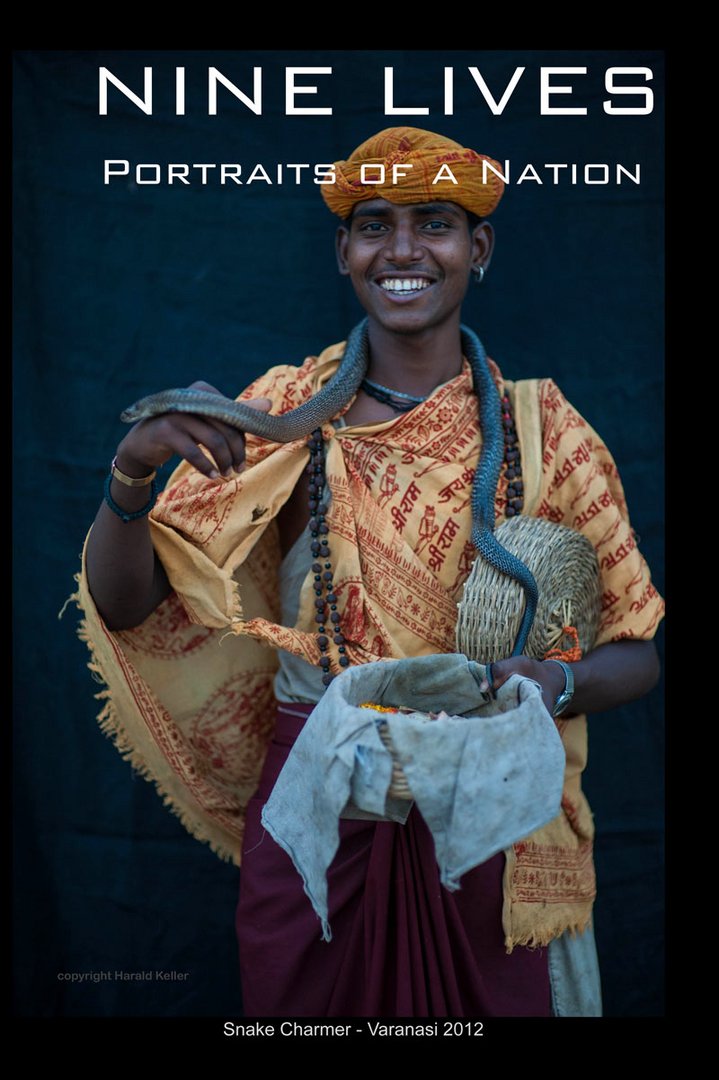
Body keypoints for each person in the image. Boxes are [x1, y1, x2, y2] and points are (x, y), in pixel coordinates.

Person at [76, 126, 664, 1018]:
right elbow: (126, 606)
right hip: (321, 817)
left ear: (480, 247)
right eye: (373, 225)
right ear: (342, 252)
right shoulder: (278, 416)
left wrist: (552, 682)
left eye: (434, 223)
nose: (401, 250)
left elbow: (636, 655)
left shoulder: (548, 436)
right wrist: (131, 470)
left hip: (491, 816)